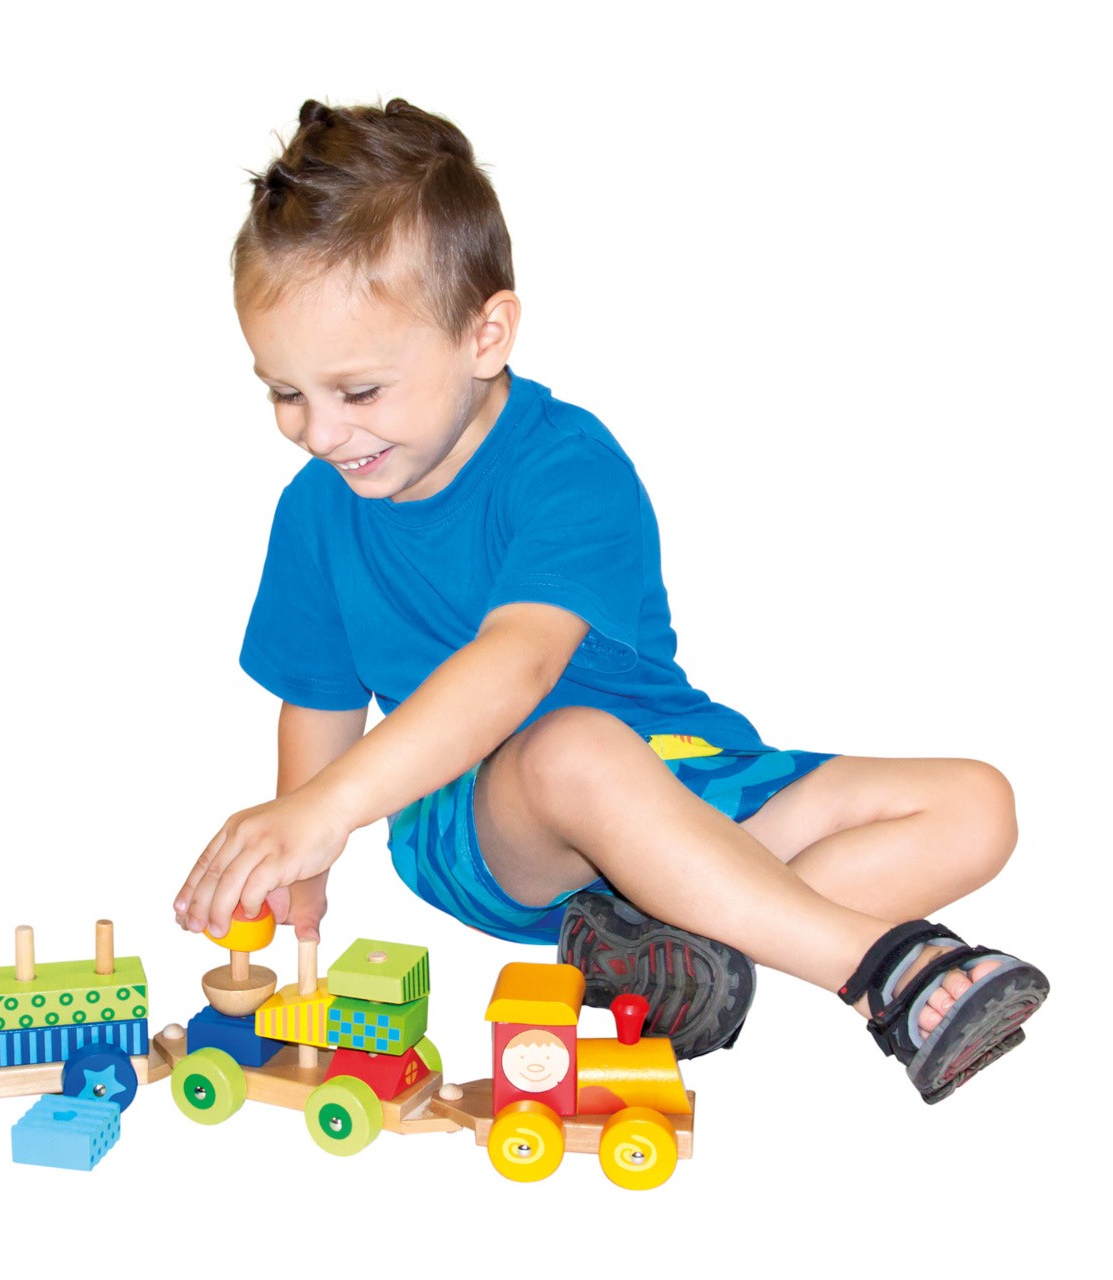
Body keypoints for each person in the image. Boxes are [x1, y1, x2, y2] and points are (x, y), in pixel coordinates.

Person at [172, 98, 1047, 1102]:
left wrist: (319, 813)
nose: (319, 433)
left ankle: (655, 941)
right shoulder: (314, 514)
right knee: (576, 748)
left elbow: (520, 660)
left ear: (485, 334)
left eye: (358, 392)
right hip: (482, 820)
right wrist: (304, 836)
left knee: (976, 804)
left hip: (677, 771)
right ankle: (874, 968)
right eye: (285, 393)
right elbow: (321, 699)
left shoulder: (567, 466)